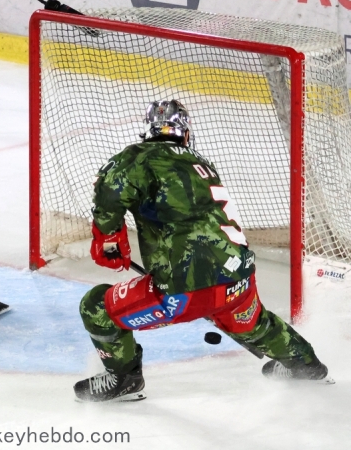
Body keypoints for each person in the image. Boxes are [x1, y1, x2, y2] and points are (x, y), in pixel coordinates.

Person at [76, 100, 330, 402]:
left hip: (183, 293)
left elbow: (111, 188)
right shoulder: (201, 164)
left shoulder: (138, 158)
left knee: (95, 307)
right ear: (185, 133)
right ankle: (306, 365)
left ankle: (124, 378)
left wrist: (108, 236)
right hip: (239, 278)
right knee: (254, 321)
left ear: (149, 131)